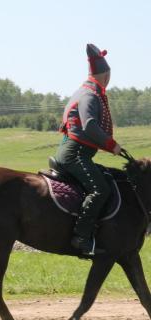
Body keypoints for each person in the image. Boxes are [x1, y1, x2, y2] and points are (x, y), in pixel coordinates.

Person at [56, 43, 121, 256]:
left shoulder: (85, 91)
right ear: (106, 75)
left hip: (78, 153)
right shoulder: (90, 95)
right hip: (74, 155)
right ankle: (81, 238)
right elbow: (89, 125)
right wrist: (112, 145)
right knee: (100, 189)